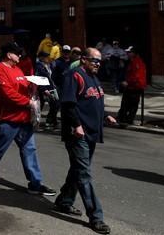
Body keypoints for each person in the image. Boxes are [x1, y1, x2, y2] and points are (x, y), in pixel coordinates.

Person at [0, 41, 56, 196]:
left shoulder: (17, 69)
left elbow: (23, 84)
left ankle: (35, 183)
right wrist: (29, 102)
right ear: (8, 55)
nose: (20, 55)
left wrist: (37, 88)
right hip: (7, 118)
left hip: (23, 117)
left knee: (29, 149)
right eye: (17, 52)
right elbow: (7, 94)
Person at [52, 48, 117, 234]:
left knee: (78, 170)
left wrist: (105, 116)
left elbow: (92, 101)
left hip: (91, 133)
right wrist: (76, 125)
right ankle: (96, 217)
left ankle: (64, 201)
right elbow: (68, 104)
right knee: (84, 174)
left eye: (100, 61)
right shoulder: (75, 75)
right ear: (83, 60)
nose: (98, 63)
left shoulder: (94, 78)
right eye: (94, 60)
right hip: (77, 133)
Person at [115, 46, 146, 126]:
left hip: (135, 87)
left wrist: (127, 82)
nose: (127, 54)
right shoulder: (133, 62)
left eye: (129, 52)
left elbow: (137, 75)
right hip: (131, 87)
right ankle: (123, 117)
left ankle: (128, 119)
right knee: (126, 102)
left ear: (134, 53)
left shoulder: (137, 62)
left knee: (132, 104)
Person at [34, 51, 59, 130]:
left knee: (56, 104)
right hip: (43, 89)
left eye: (48, 56)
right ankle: (35, 123)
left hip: (51, 88)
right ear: (41, 58)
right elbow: (37, 79)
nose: (48, 58)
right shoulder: (38, 66)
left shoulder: (49, 66)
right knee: (40, 106)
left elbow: (52, 76)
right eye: (46, 57)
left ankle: (52, 121)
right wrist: (43, 89)